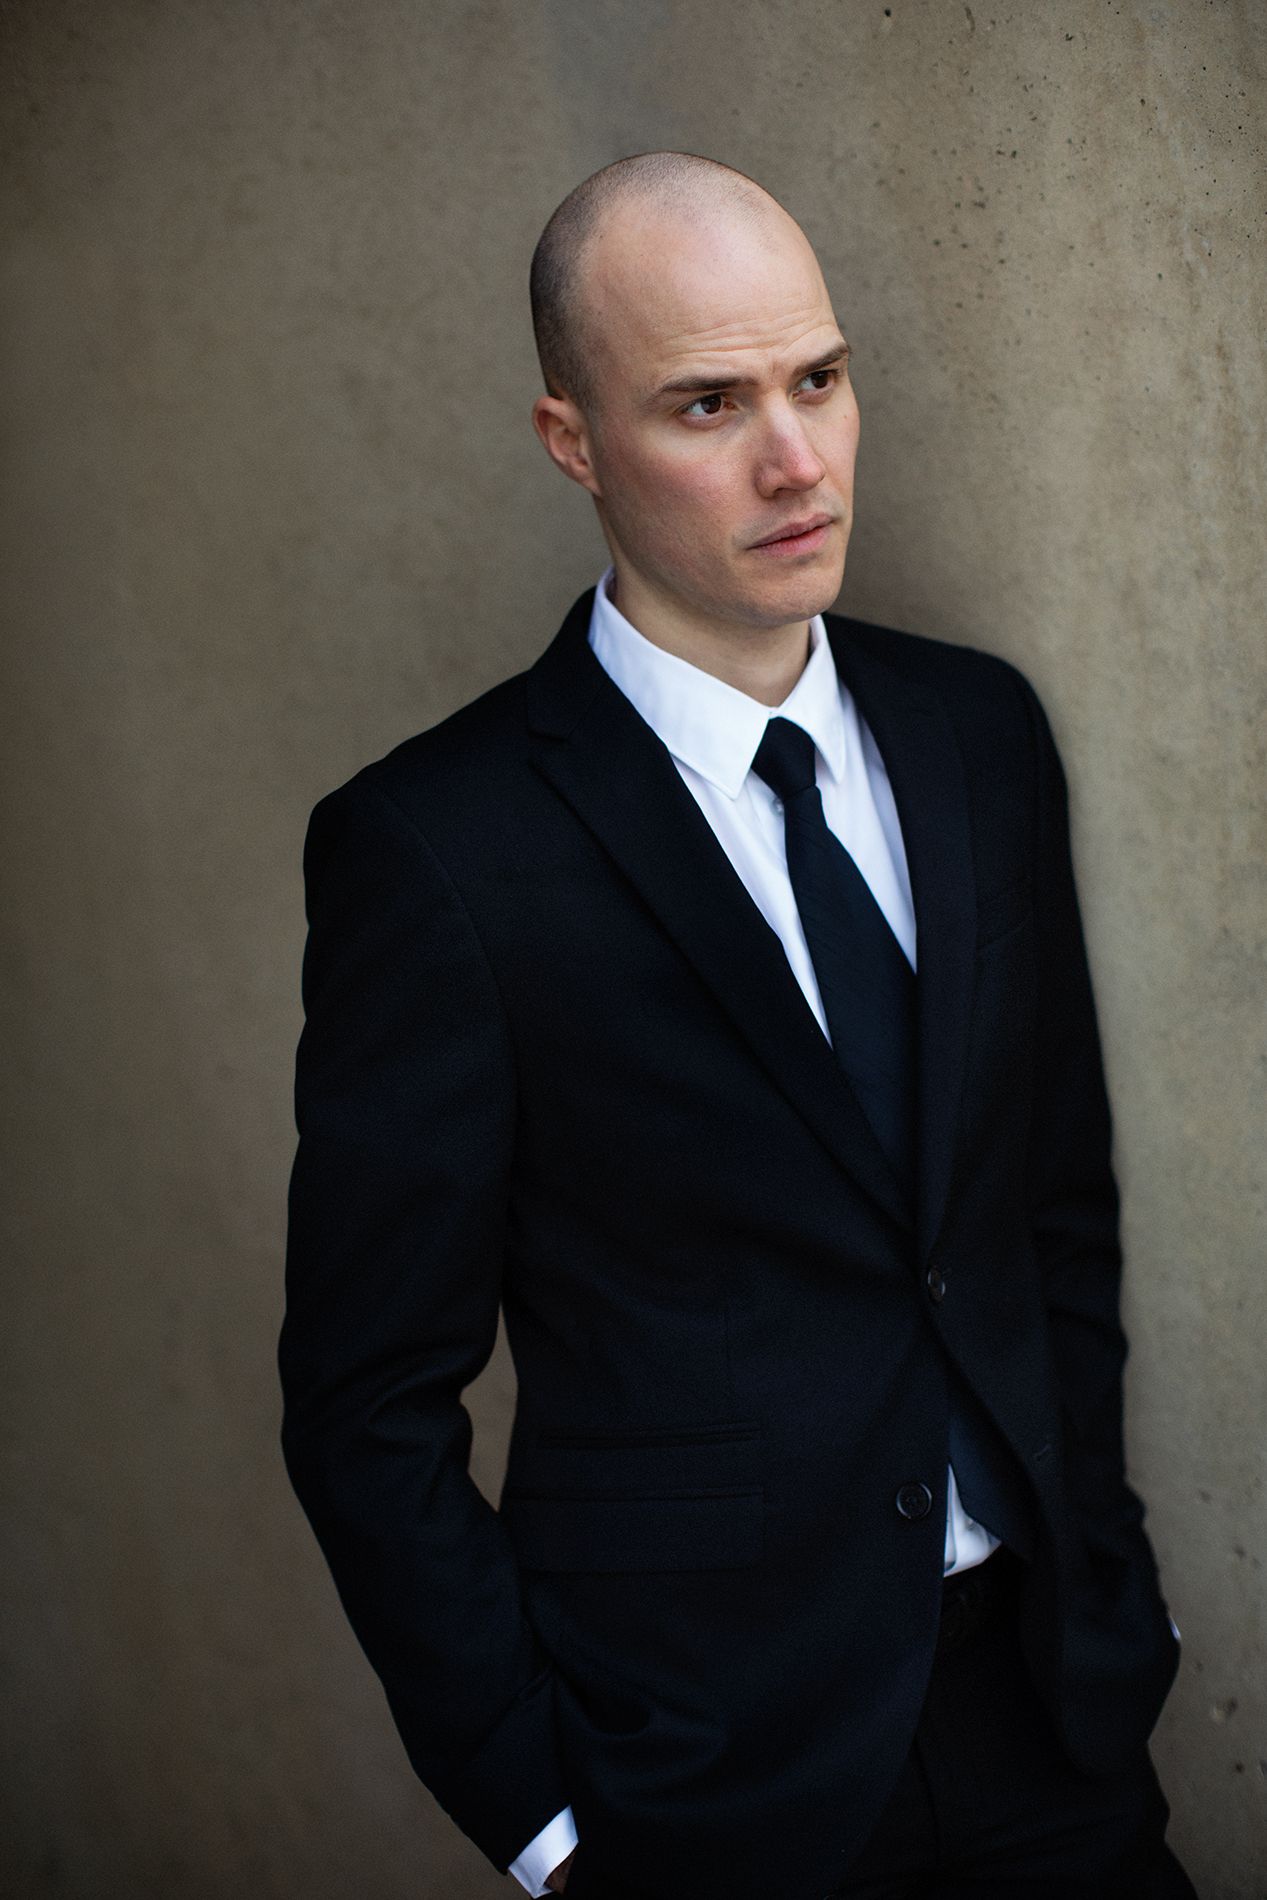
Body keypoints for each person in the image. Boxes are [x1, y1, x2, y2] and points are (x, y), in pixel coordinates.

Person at [279, 153, 1195, 1898]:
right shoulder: (438, 852)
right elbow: (364, 1400)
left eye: (819, 380)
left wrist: (1112, 1584)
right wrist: (549, 1824)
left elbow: (1048, 1215)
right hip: (704, 1779)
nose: (798, 460)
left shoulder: (978, 735)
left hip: (1050, 1717)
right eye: (709, 404)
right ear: (572, 441)